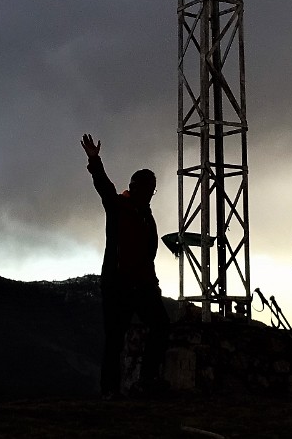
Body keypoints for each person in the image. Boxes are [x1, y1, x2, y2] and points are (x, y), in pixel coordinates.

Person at [81, 133, 169, 398]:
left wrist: (153, 284)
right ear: (139, 188)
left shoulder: (145, 215)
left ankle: (147, 380)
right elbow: (104, 188)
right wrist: (95, 161)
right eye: (148, 189)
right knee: (115, 339)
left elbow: (147, 255)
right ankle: (110, 391)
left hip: (142, 284)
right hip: (118, 284)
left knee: (160, 325)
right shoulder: (120, 206)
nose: (151, 194)